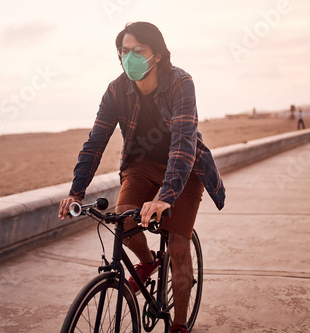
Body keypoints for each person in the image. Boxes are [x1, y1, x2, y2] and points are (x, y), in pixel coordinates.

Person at [58, 22, 225, 333]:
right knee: (122, 217)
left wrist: (165, 196)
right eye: (124, 52)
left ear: (157, 55)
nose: (129, 57)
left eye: (138, 51)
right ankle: (148, 261)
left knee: (177, 243)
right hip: (141, 163)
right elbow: (96, 141)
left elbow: (183, 141)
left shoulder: (180, 83)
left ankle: (178, 324)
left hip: (185, 169)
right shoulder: (116, 90)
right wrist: (76, 192)